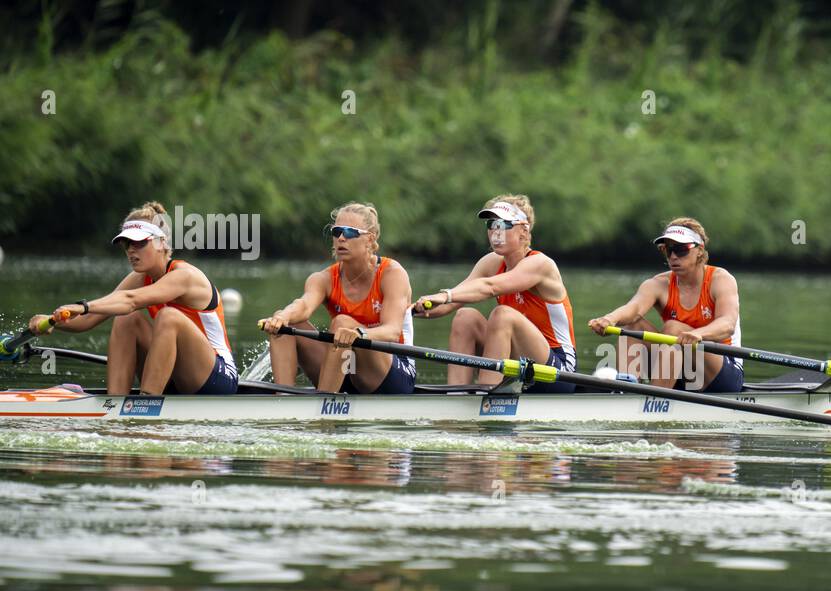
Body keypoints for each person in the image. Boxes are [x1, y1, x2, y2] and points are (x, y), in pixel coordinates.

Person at [27, 201, 238, 395]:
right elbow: (89, 319)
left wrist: (82, 306)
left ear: (161, 243)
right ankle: (115, 404)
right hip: (174, 374)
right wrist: (52, 320)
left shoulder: (185, 276)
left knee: (169, 317)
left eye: (139, 243)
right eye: (126, 244)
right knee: (126, 320)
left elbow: (130, 301)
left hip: (218, 378)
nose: (131, 250)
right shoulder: (139, 278)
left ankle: (147, 400)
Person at [413, 195, 577, 392]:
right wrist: (410, 309)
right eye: (492, 224)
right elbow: (448, 304)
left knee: (502, 315)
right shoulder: (491, 262)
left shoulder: (540, 264)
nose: (496, 232)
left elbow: (489, 287)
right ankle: (457, 395)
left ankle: (486, 393)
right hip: (519, 362)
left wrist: (445, 295)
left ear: (524, 231)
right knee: (465, 317)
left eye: (504, 224)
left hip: (558, 370)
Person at [258, 202, 416, 393]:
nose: (341, 238)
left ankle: (324, 404)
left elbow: (392, 331)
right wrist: (282, 316)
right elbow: (304, 306)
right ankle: (282, 399)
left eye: (350, 232)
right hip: (343, 367)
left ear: (370, 238)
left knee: (342, 323)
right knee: (288, 323)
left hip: (393, 372)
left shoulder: (392, 274)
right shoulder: (323, 279)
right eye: (337, 231)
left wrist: (359, 334)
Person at [587, 218, 742, 391]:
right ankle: (626, 391)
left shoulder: (721, 279)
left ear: (699, 250)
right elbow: (634, 309)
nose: (673, 256)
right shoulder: (658, 284)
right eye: (668, 250)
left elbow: (727, 324)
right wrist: (609, 319)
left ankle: (655, 398)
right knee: (633, 327)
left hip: (722, 370)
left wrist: (698, 334)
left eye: (681, 249)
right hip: (681, 369)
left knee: (673, 329)